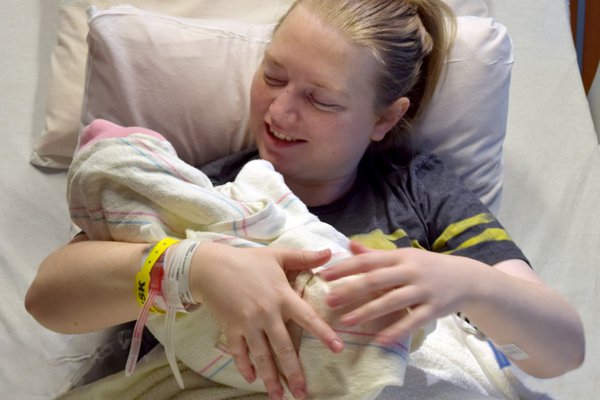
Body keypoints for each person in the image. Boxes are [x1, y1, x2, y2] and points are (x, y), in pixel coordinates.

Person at [26, 0, 585, 399]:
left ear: (385, 118)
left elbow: (560, 353)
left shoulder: (420, 191)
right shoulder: (196, 190)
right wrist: (191, 267)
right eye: (273, 75)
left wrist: (466, 282)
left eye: (320, 100)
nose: (279, 112)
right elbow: (50, 302)